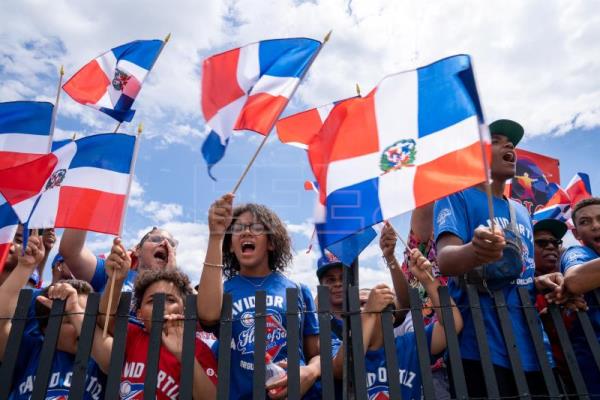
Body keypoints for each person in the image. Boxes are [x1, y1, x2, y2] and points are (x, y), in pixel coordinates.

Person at [434, 119, 564, 397]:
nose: (509, 146)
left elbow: (520, 274)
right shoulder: (456, 196)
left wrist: (541, 281)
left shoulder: (521, 211)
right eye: (496, 140)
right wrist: (476, 250)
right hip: (480, 350)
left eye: (512, 143)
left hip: (536, 351)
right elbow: (445, 259)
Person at [197, 194, 321, 399]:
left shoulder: (298, 290)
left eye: (255, 227)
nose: (246, 231)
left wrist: (311, 371)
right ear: (230, 245)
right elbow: (208, 315)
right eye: (237, 229)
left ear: (271, 243)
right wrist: (216, 236)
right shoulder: (224, 291)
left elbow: (316, 353)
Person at [332, 249, 463, 399]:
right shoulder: (339, 348)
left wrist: (428, 280)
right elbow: (342, 369)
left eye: (370, 303)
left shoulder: (410, 344)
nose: (364, 308)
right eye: (358, 305)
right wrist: (369, 313)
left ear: (392, 318)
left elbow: (453, 325)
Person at [98, 238, 217, 399]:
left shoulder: (199, 349)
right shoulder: (133, 336)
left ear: (184, 310)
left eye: (171, 300)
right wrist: (116, 280)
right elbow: (105, 320)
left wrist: (184, 354)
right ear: (139, 314)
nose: (161, 306)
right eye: (152, 301)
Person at [0, 235, 111, 399]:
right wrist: (25, 268)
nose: (78, 324)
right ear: (45, 328)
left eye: (85, 317)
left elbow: (112, 361)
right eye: (69, 319)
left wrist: (74, 309)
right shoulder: (29, 351)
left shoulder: (98, 361)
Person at [59, 227, 177, 293]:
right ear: (138, 250)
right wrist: (88, 198)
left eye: (171, 244)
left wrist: (172, 278)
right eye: (156, 239)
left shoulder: (182, 290)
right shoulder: (113, 271)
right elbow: (71, 251)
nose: (164, 244)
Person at [561, 197, 600, 397]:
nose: (596, 226)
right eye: (585, 222)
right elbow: (575, 280)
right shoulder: (578, 252)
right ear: (576, 233)